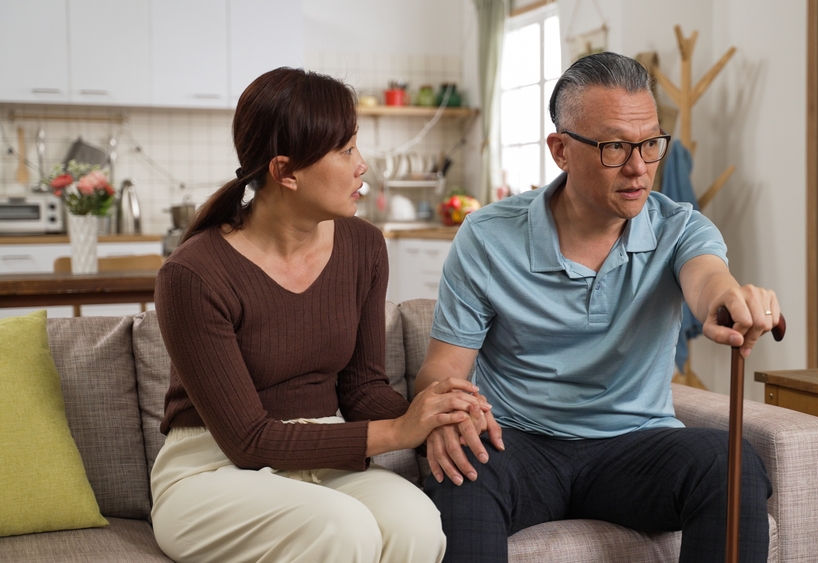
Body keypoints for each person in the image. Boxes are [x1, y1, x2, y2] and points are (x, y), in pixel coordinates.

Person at [414, 52, 781, 563]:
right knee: (459, 473)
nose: (638, 167)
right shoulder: (488, 235)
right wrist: (446, 411)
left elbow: (708, 280)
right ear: (561, 150)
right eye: (614, 146)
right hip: (517, 442)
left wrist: (728, 302)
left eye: (650, 144)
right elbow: (442, 368)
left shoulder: (680, 227)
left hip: (634, 448)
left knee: (730, 463)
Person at [150, 67, 489, 563]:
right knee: (342, 529)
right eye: (346, 150)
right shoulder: (193, 274)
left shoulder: (363, 246)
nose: (363, 166)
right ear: (285, 171)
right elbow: (248, 441)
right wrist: (399, 431)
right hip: (211, 469)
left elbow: (362, 389)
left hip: (325, 454)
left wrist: (437, 416)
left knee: (418, 526)